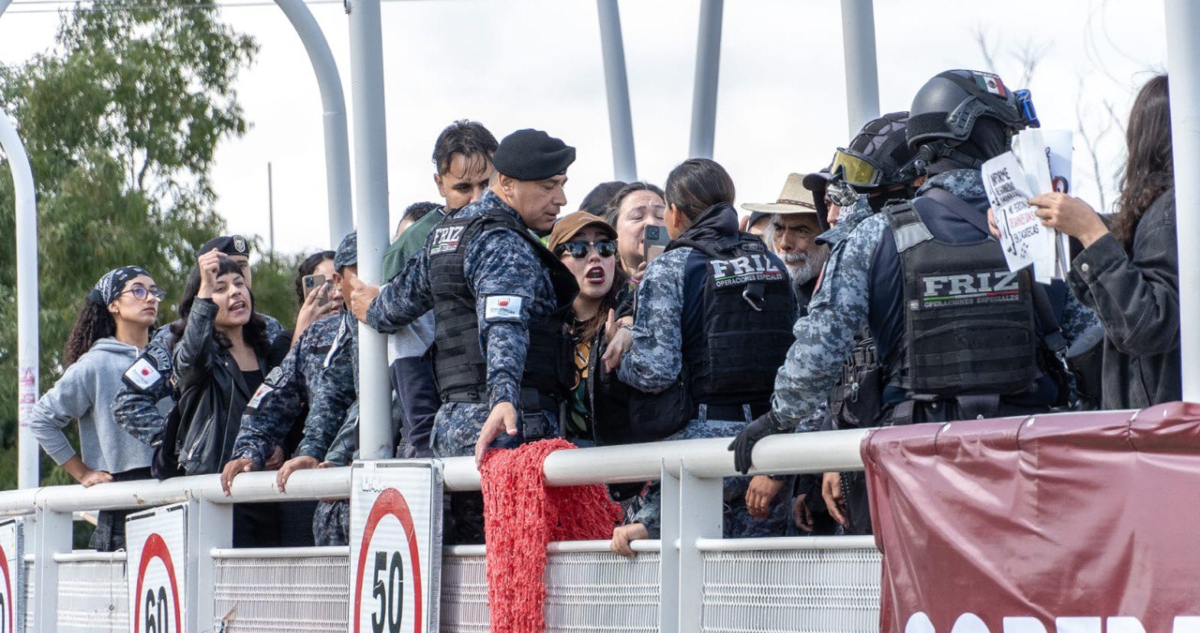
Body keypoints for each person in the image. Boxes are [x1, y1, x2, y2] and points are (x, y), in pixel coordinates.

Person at [728, 70, 1098, 531]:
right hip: (1027, 458)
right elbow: (1091, 339)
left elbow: (818, 353)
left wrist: (778, 418)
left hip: (918, 466)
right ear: (986, 137)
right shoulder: (1046, 225)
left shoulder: (876, 235)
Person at [349, 128, 579, 544]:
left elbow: (391, 307)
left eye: (562, 186)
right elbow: (503, 322)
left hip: (454, 429)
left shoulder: (446, 235)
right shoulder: (501, 240)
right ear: (506, 184)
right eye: (548, 187)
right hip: (509, 429)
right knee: (514, 567)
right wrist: (505, 396)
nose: (560, 199)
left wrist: (369, 304)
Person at [610, 158, 796, 555]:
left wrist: (616, 356)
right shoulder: (774, 264)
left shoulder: (673, 267)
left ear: (674, 214)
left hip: (701, 450)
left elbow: (656, 370)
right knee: (761, 593)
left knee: (689, 595)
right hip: (770, 445)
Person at [1028, 74, 1180, 409]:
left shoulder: (1169, 212)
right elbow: (1132, 237)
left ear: (1145, 136)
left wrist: (1090, 233)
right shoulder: (1171, 211)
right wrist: (1064, 221)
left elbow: (1147, 325)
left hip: (1165, 436)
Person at [380, 120, 500, 458]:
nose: (477, 200)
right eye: (464, 188)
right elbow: (407, 346)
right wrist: (424, 440)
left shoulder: (520, 230)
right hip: (449, 430)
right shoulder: (416, 244)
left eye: (486, 184)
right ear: (440, 184)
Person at [28, 267, 164, 551]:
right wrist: (82, 473)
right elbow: (41, 419)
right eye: (138, 290)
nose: (150, 298)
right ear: (113, 304)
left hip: (176, 492)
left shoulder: (171, 356)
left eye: (154, 291)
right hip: (123, 503)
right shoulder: (96, 364)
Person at [113, 235, 283, 457]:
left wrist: (282, 445)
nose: (234, 289)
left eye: (241, 269)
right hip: (213, 475)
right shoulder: (175, 336)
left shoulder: (269, 328)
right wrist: (184, 443)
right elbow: (127, 403)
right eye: (217, 279)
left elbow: (286, 400)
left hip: (267, 471)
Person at [171, 250, 283, 545]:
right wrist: (204, 291)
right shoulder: (200, 355)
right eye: (221, 288)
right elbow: (190, 357)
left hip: (269, 492)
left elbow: (286, 408)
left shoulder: (266, 350)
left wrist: (279, 447)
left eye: (239, 284)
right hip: (218, 491)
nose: (235, 292)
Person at [276, 232, 365, 546]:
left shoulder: (365, 321)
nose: (335, 291)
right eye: (325, 283)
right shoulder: (296, 339)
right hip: (318, 473)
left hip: (362, 470)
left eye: (339, 280)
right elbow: (280, 396)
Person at [546, 213, 634, 447]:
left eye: (605, 247)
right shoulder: (543, 324)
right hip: (567, 464)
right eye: (578, 248)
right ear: (556, 262)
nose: (595, 256)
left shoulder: (635, 310)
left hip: (629, 464)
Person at [743, 173, 830, 310]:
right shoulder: (758, 289)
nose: (784, 244)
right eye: (779, 229)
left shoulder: (848, 289)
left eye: (800, 231)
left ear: (827, 234)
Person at [603, 181, 667, 279]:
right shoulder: (602, 287)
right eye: (638, 217)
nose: (652, 223)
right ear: (613, 231)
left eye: (660, 216)